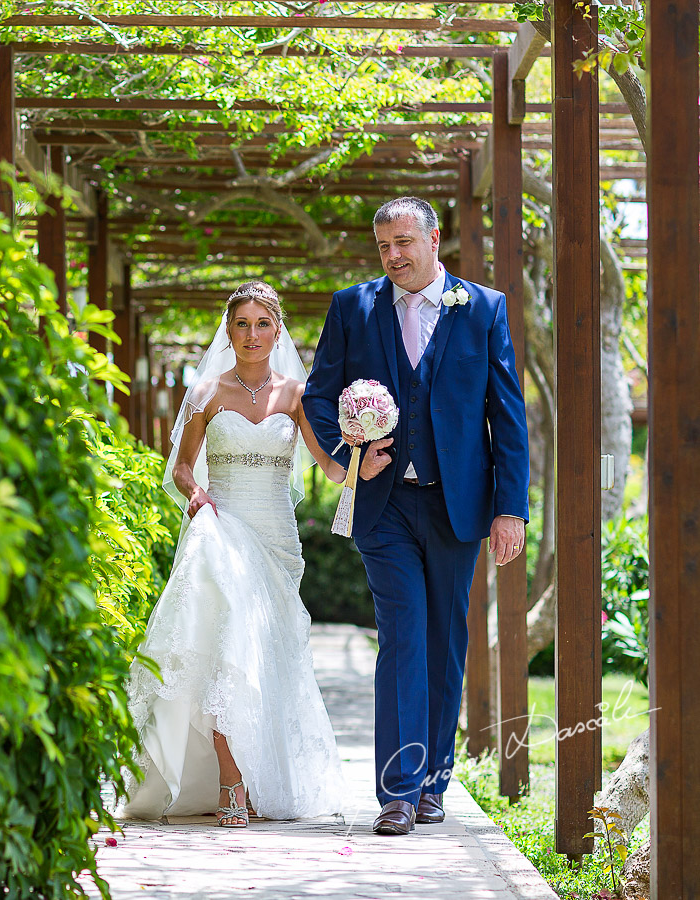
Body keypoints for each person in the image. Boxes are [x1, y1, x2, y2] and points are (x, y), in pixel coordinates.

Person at [302, 197, 531, 836]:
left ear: (434, 239)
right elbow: (320, 396)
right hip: (384, 507)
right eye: (384, 247)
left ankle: (435, 781)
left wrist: (510, 508)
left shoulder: (483, 308)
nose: (395, 255)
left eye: (405, 242)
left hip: (458, 506)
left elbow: (506, 416)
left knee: (445, 638)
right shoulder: (353, 307)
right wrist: (350, 458)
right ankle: (398, 791)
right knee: (402, 630)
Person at [120, 281, 350, 826]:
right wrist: (195, 493)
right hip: (221, 528)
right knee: (228, 648)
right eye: (242, 324)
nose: (252, 335)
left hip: (275, 535)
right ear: (228, 330)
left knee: (267, 653)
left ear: (278, 330)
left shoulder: (295, 395)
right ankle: (230, 784)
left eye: (262, 324)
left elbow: (327, 463)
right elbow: (180, 466)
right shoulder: (206, 392)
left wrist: (368, 462)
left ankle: (261, 774)